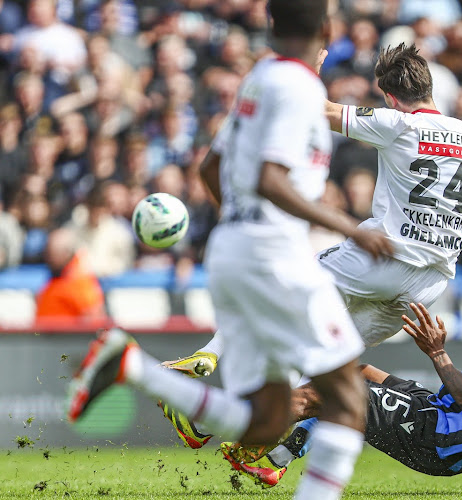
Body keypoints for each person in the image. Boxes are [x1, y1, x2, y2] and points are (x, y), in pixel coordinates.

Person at [67, 3, 393, 500]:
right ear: (326, 30)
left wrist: (240, 226)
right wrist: (353, 228)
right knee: (347, 399)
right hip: (274, 256)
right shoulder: (298, 87)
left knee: (264, 424)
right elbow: (270, 179)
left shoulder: (260, 79)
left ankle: (132, 367)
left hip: (234, 253)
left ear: (271, 25)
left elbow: (210, 171)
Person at [159, 42, 462, 448]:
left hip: (380, 258)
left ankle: (210, 353)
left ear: (390, 96)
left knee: (278, 287)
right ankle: (220, 425)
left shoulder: (396, 122)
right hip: (430, 285)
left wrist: (306, 67)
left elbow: (323, 110)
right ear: (430, 86)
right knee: (323, 354)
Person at [223, 259, 462, 486]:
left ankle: (218, 421)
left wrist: (437, 352)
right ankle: (277, 460)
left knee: (329, 393)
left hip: (444, 437)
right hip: (449, 424)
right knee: (354, 370)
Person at [35, 227, 106, 324]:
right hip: (45, 335)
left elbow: (94, 319)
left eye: (51, 253)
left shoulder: (80, 280)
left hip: (67, 337)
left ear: (66, 253)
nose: (47, 258)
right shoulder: (57, 274)